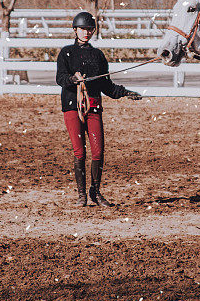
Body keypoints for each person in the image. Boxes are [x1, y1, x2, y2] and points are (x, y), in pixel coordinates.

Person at [56, 11, 142, 207]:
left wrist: (126, 93)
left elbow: (107, 86)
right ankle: (81, 196)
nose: (86, 33)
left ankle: (95, 191)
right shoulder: (66, 53)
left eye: (89, 29)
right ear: (75, 30)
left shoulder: (98, 56)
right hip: (72, 107)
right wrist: (72, 79)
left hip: (94, 107)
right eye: (82, 29)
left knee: (98, 151)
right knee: (79, 152)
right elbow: (60, 78)